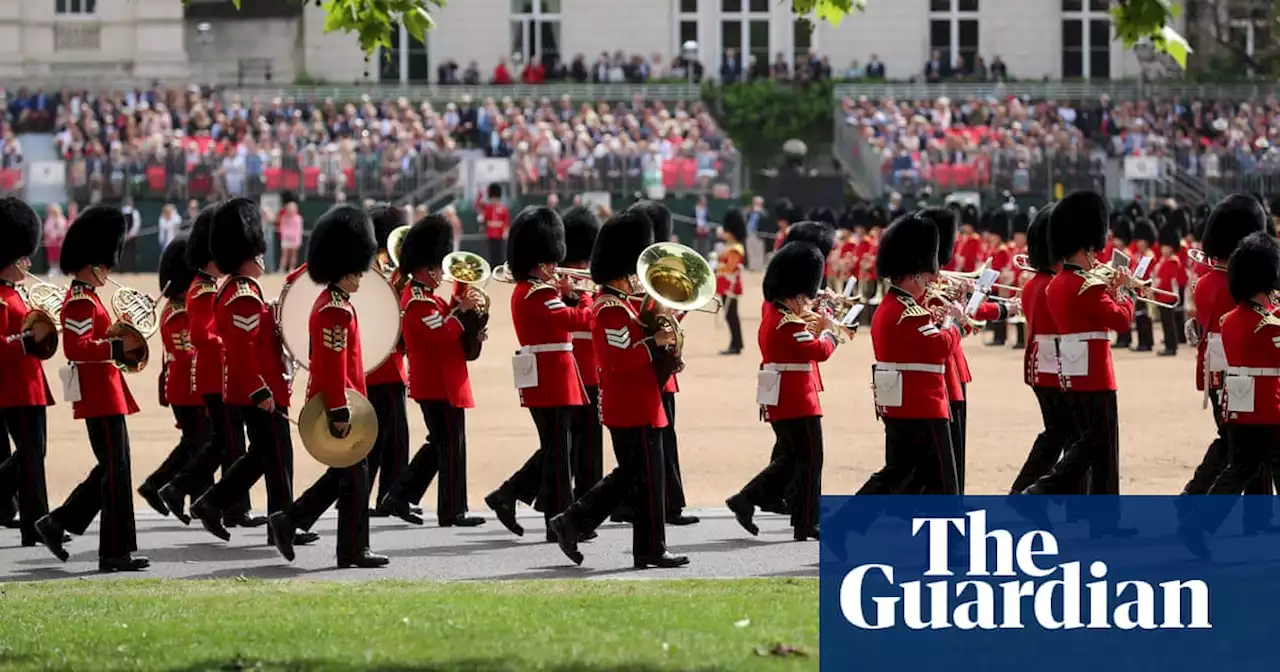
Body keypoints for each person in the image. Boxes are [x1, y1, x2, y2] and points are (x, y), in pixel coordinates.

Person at [547, 211, 688, 569]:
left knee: (634, 477)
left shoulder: (626, 305)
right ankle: (649, 548)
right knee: (645, 478)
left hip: (641, 401)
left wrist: (668, 339)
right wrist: (656, 343)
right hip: (630, 404)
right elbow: (620, 360)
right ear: (623, 272)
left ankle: (575, 523)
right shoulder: (610, 309)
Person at [267, 205, 389, 569]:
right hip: (339, 402)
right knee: (354, 474)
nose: (360, 275)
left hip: (344, 400)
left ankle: (295, 523)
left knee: (347, 475)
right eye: (355, 269)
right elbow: (334, 367)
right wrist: (339, 410)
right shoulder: (333, 309)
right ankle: (350, 547)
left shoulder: (336, 303)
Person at [34, 205, 149, 572]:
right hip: (99, 394)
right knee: (114, 470)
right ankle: (112, 552)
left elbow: (96, 338)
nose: (109, 270)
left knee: (113, 468)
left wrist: (124, 329)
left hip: (107, 391)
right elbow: (77, 349)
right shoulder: (81, 300)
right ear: (94, 262)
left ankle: (59, 523)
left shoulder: (91, 298)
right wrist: (120, 345)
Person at [1015, 191, 1135, 536]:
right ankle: (1045, 492)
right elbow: (1121, 320)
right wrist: (1122, 292)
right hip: (1096, 372)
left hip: (1072, 371)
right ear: (1085, 247)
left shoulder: (1059, 284)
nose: (1097, 255)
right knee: (1098, 446)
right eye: (1094, 249)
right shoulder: (1083, 285)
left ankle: (1094, 518)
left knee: (1087, 442)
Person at [188, 198, 296, 544]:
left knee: (265, 457)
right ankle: (277, 522)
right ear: (250, 254)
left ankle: (222, 505)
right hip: (257, 390)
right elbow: (242, 349)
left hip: (250, 389)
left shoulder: (239, 290)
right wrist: (260, 390)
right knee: (276, 458)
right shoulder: (243, 295)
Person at [486, 206, 593, 541]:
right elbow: (578, 321)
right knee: (559, 454)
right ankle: (558, 521)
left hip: (552, 377)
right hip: (551, 378)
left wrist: (568, 295)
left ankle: (509, 495)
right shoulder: (537, 292)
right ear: (543, 260)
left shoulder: (535, 290)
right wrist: (586, 297)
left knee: (556, 449)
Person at [373, 215, 486, 528]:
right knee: (447, 444)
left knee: (444, 444)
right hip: (436, 383)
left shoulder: (429, 297)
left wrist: (467, 315)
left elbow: (449, 323)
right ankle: (447, 508)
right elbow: (440, 336)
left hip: (444, 380)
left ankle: (403, 496)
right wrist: (460, 315)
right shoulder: (418, 300)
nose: (442, 274)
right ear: (427, 268)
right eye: (438, 268)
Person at [157, 204, 264, 531]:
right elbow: (202, 335)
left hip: (218, 375)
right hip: (214, 376)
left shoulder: (207, 286)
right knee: (228, 443)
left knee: (227, 443)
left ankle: (225, 504)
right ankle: (191, 494)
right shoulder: (202, 289)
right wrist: (230, 344)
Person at [726, 241, 839, 542]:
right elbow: (819, 351)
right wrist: (829, 330)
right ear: (793, 294)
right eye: (803, 296)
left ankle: (749, 499)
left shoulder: (777, 317)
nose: (806, 301)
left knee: (792, 459)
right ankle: (803, 520)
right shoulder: (787, 323)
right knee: (810, 460)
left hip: (786, 397)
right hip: (796, 399)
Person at [1179, 231, 1280, 559]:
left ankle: (1197, 524)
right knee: (1244, 469)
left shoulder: (1232, 319)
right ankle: (1197, 525)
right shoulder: (1267, 324)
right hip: (1267, 408)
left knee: (1237, 470)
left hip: (1239, 406)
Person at [861, 213, 963, 498]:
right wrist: (954, 322)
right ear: (914, 273)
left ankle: (848, 524)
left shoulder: (891, 306)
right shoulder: (908, 311)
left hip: (900, 403)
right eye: (926, 276)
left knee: (898, 474)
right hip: (922, 406)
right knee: (944, 485)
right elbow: (941, 347)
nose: (930, 281)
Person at [621, 200, 698, 526]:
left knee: (662, 438)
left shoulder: (648, 274)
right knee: (658, 439)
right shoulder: (639, 279)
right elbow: (648, 321)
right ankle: (665, 504)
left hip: (660, 364)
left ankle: (663, 501)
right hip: (650, 363)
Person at [1008, 204, 1081, 492]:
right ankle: (1030, 489)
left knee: (1061, 434)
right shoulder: (1053, 285)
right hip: (1057, 367)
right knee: (1068, 436)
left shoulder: (1034, 284)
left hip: (1042, 365)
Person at [137, 237, 208, 517]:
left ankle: (180, 494)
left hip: (188, 389)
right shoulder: (176, 315)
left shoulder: (183, 309)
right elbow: (190, 354)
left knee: (194, 445)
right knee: (199, 446)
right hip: (187, 390)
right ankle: (162, 486)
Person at [0, 197, 55, 548]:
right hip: (15, 388)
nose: (28, 263)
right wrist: (25, 339)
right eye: (22, 257)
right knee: (30, 456)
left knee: (34, 456)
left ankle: (35, 525)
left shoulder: (17, 294)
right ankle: (37, 523)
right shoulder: (2, 299)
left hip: (31, 385)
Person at [364, 205, 411, 512]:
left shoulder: (382, 271)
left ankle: (387, 495)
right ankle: (389, 496)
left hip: (386, 364)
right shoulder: (372, 275)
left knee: (385, 439)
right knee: (389, 440)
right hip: (381, 366)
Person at [561, 206, 604, 498]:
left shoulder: (585, 276)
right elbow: (586, 319)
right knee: (585, 441)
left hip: (587, 365)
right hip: (579, 367)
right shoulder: (568, 281)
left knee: (581, 441)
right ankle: (585, 501)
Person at [716, 208, 747, 355]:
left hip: (731, 286)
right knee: (730, 315)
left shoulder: (735, 248)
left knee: (731, 315)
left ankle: (736, 344)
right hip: (726, 285)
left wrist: (717, 267)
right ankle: (736, 343)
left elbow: (729, 268)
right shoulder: (729, 246)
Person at [1154, 220, 1186, 357]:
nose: (1162, 249)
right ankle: (1169, 344)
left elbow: (1165, 278)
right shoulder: (1165, 260)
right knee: (1166, 322)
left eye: (1165, 247)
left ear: (1171, 247)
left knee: (1169, 322)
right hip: (1162, 295)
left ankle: (1171, 346)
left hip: (1167, 295)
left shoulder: (1172, 261)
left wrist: (1155, 288)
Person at [479, 183, 510, 265]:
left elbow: (506, 221)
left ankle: (499, 267)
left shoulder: (503, 208)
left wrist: (505, 231)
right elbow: (484, 218)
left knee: (499, 253)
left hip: (499, 233)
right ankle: (493, 267)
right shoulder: (488, 208)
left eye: (495, 198)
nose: (494, 200)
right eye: (492, 198)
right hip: (491, 233)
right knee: (491, 253)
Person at [277, 196, 303, 273]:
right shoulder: (284, 218)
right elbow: (282, 228)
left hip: (295, 239)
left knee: (293, 255)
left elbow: (299, 230)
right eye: (289, 209)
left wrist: (297, 239)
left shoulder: (298, 218)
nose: (290, 211)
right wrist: (285, 236)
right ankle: (282, 268)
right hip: (286, 239)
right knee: (284, 255)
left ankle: (292, 269)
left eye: (292, 209)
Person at [42, 204, 66, 277]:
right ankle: (52, 269)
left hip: (59, 241)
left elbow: (63, 230)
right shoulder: (49, 220)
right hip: (51, 241)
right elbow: (46, 230)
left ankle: (59, 270)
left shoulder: (61, 219)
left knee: (59, 256)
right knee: (51, 256)